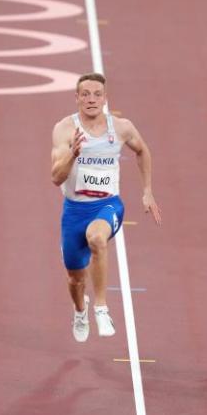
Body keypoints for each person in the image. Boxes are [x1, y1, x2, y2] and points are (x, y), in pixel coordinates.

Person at [50, 72, 161, 342]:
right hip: (74, 210)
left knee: (97, 238)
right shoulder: (65, 129)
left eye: (97, 94)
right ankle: (81, 309)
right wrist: (73, 154)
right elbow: (56, 178)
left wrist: (147, 191)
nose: (91, 99)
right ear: (76, 98)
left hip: (107, 205)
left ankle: (101, 307)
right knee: (75, 279)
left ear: (105, 98)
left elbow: (143, 151)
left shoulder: (120, 128)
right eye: (85, 94)